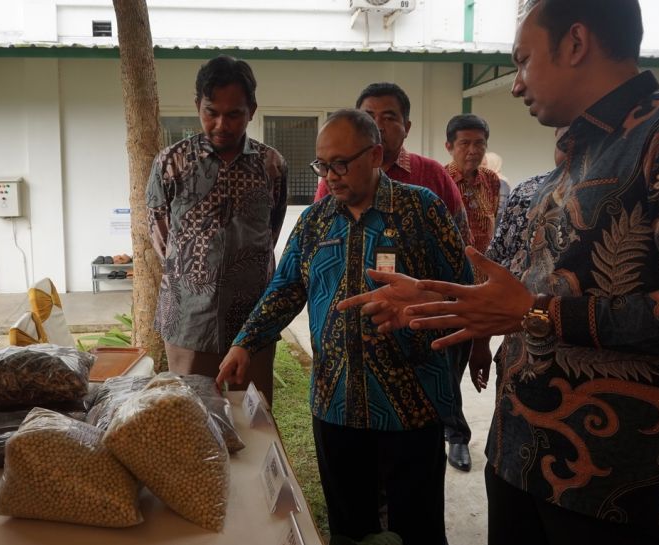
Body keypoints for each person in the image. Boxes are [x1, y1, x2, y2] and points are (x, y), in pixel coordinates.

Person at [338, 1, 659, 543]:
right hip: (520, 456)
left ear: (575, 43)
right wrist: (442, 300)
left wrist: (533, 311)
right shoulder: (565, 167)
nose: (515, 85)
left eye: (523, 61)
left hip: (614, 484)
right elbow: (528, 298)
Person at [217, 109, 472, 545]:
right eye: (322, 165)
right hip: (335, 405)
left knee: (416, 529)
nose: (330, 176)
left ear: (375, 154)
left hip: (411, 406)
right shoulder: (315, 221)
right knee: (350, 529)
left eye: (340, 163)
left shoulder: (420, 210)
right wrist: (245, 343)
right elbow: (284, 290)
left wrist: (424, 307)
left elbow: (463, 292)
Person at [146, 55, 287, 404]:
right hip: (187, 319)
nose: (222, 124)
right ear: (198, 106)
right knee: (189, 417)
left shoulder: (272, 165)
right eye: (212, 112)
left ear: (251, 110)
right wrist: (198, 273)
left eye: (234, 113)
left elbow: (271, 232)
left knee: (252, 415)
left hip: (251, 318)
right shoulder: (171, 163)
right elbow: (160, 233)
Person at [314, 83, 475, 250]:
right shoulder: (335, 179)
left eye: (388, 118)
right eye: (368, 118)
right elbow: (316, 238)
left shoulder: (433, 175)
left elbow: (462, 242)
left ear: (406, 127)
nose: (377, 126)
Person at [468, 126, 568, 392]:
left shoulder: (631, 192)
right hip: (524, 354)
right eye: (566, 137)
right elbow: (497, 270)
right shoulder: (527, 192)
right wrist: (480, 343)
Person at [441, 113, 502, 472]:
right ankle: (455, 435)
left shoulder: (491, 182)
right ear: (450, 146)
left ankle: (453, 429)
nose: (473, 150)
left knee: (470, 359)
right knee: (447, 368)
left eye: (479, 143)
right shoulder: (438, 180)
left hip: (481, 289)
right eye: (464, 143)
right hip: (449, 290)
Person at [482, 151, 512, 217]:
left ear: (492, 164)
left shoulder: (501, 182)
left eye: (484, 164)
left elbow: (499, 209)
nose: (480, 167)